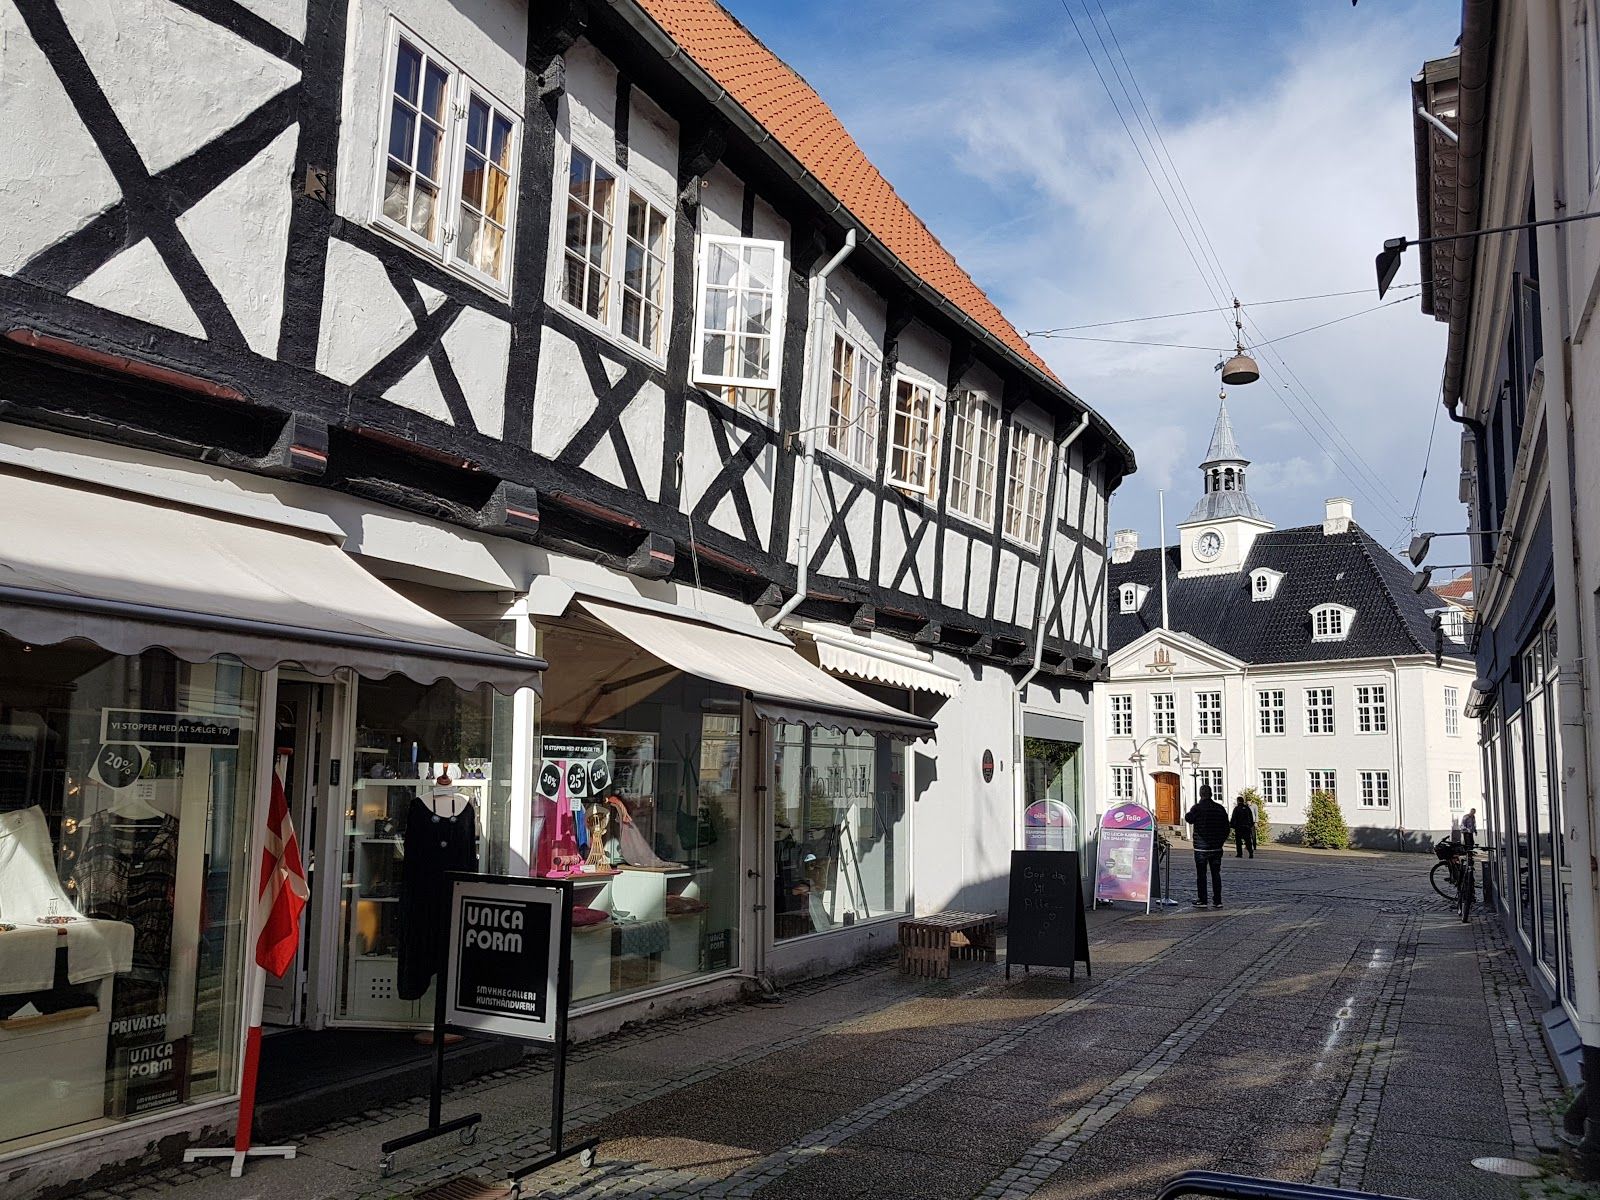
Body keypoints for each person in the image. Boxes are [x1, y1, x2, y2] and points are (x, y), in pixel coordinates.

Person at [1185, 784, 1231, 909]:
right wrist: (1220, 841)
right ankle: (1217, 900)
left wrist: (1192, 810)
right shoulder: (1219, 808)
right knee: (1216, 874)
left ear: (1201, 794)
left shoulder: (1198, 808)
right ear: (1211, 794)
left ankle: (1203, 899)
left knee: (1201, 874)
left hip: (1201, 848)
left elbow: (1188, 818)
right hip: (1216, 847)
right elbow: (1227, 827)